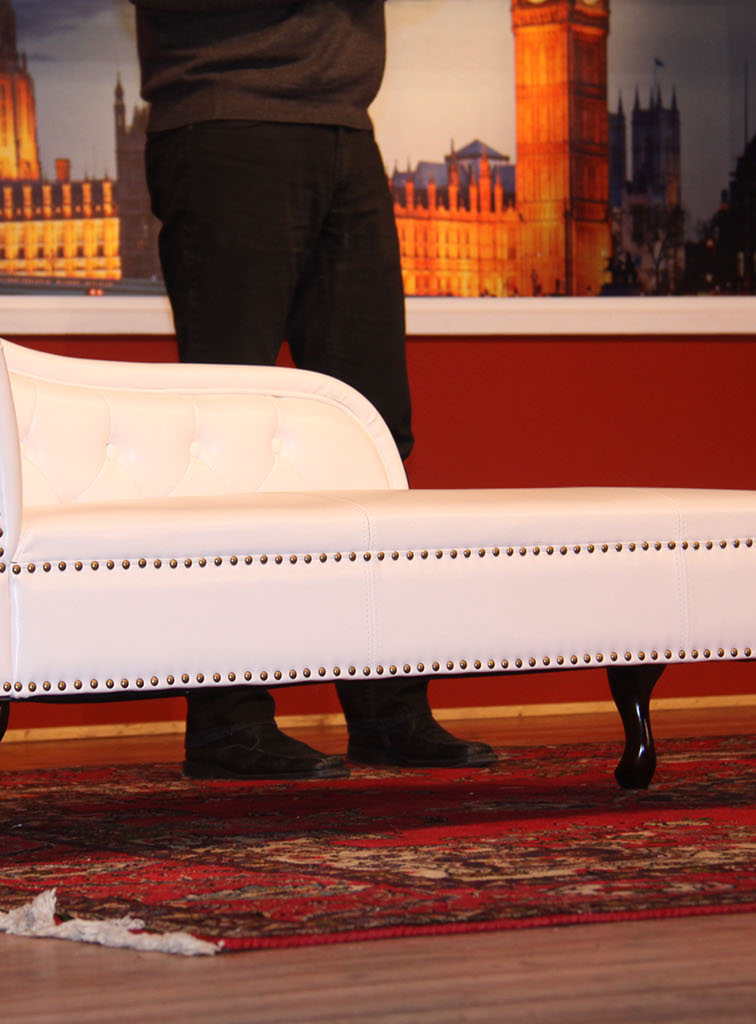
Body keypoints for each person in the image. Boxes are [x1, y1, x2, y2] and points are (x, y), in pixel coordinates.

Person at [133, 0, 495, 780]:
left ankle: (388, 710)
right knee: (226, 443)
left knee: (375, 438)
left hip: (346, 130)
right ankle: (227, 721)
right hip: (226, 124)